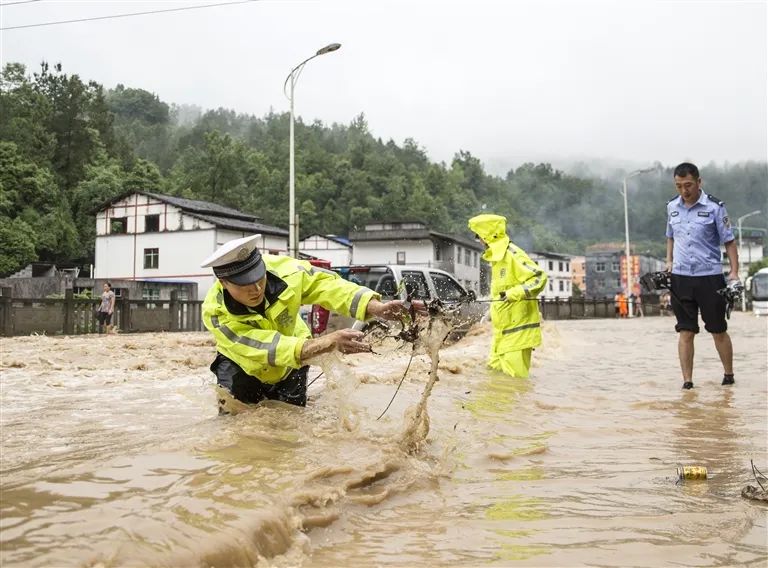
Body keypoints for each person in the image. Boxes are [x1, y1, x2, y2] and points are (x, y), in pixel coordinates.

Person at [200, 234, 418, 411]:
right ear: (223, 282)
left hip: (293, 362)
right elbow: (265, 347)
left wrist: (374, 307)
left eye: (259, 278)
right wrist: (325, 343)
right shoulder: (215, 313)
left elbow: (328, 286)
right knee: (235, 432)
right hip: (242, 368)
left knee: (292, 424)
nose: (256, 289)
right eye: (245, 284)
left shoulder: (288, 271)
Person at [665, 162, 739, 390]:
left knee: (718, 329)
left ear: (699, 182)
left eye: (688, 185)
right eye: (679, 186)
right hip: (681, 277)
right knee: (685, 330)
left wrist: (734, 272)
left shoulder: (715, 207)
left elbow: (729, 241)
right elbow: (670, 236)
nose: (684, 190)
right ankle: (687, 382)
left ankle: (728, 375)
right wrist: (668, 261)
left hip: (710, 277)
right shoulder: (672, 207)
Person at [468, 214, 548, 378]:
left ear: (488, 235)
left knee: (515, 383)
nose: (480, 242)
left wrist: (514, 293)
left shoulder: (512, 254)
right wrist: (491, 312)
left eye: (479, 237)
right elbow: (500, 292)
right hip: (501, 334)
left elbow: (539, 277)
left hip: (517, 334)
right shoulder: (497, 259)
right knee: (494, 379)